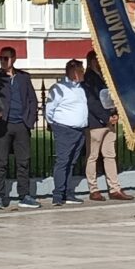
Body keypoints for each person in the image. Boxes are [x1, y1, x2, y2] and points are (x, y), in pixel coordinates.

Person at [0, 47, 38, 207]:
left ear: (14, 59)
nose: (3, 61)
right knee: (1, 162)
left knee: (23, 162)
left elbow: (32, 100)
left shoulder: (23, 77)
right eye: (0, 58)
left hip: (21, 124)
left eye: (5, 58)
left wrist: (29, 120)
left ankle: (24, 194)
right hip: (3, 125)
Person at [44, 58, 90, 204]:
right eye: (81, 71)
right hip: (65, 129)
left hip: (79, 130)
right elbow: (49, 109)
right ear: (74, 72)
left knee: (71, 162)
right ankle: (58, 194)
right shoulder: (59, 88)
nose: (83, 74)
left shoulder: (80, 89)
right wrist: (55, 124)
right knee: (63, 161)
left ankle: (68, 192)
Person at [84, 62, 127, 202]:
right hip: (96, 123)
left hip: (109, 122)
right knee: (93, 156)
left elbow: (111, 97)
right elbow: (92, 102)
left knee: (110, 155)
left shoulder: (106, 76)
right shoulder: (88, 79)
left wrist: (115, 113)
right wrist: (106, 117)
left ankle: (114, 188)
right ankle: (93, 189)